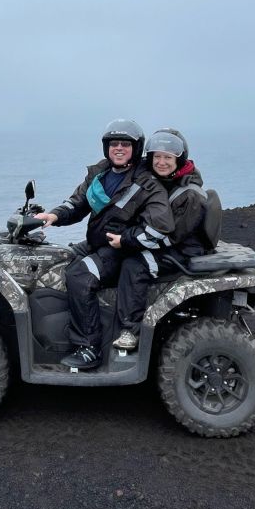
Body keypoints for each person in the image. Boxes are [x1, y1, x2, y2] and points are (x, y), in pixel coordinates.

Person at [36, 119, 174, 370]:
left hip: (120, 251)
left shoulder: (147, 183)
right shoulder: (100, 173)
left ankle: (89, 347)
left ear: (136, 147)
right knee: (59, 258)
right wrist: (54, 216)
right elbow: (77, 203)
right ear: (106, 148)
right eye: (113, 144)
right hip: (96, 244)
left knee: (79, 276)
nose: (118, 148)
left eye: (125, 144)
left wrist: (126, 239)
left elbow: (160, 227)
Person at [106, 128, 217, 351]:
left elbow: (169, 237)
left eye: (167, 157)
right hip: (164, 241)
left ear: (179, 159)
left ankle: (130, 330)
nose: (161, 162)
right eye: (157, 156)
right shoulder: (162, 181)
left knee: (134, 265)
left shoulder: (190, 194)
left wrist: (128, 241)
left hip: (183, 249)